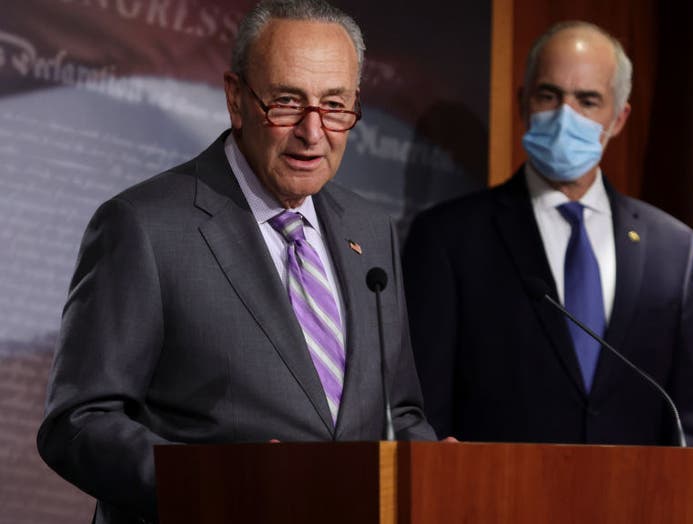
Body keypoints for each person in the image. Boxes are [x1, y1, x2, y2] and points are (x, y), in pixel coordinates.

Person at [36, 1, 435, 522]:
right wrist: (215, 484)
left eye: (334, 106)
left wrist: (432, 466)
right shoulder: (143, 226)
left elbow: (397, 411)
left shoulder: (371, 231)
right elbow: (79, 421)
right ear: (236, 98)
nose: (313, 133)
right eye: (287, 102)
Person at [403, 21, 693, 447]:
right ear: (523, 104)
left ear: (619, 117)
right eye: (549, 96)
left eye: (588, 100)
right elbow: (424, 413)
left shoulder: (673, 248)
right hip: (497, 503)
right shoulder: (449, 237)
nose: (565, 115)